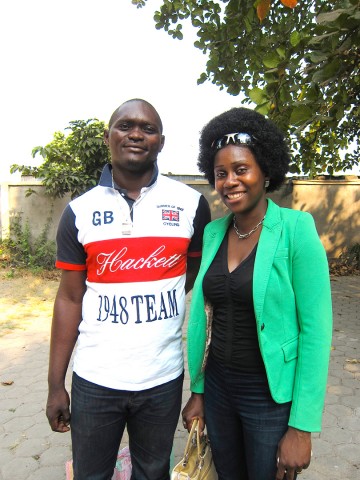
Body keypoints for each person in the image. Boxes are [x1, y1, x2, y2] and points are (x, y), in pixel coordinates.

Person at [46, 98, 211, 480]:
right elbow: (70, 298)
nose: (136, 133)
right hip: (95, 379)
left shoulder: (190, 205)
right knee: (90, 474)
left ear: (161, 142)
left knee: (153, 472)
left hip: (162, 378)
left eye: (148, 128)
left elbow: (194, 276)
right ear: (108, 137)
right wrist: (56, 384)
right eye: (125, 125)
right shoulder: (80, 211)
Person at [181, 107, 332, 480]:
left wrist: (301, 427)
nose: (230, 181)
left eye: (241, 169)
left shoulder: (296, 229)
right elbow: (205, 319)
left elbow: (316, 332)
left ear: (265, 171)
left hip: (268, 397)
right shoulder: (215, 233)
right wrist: (198, 390)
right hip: (217, 390)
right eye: (220, 173)